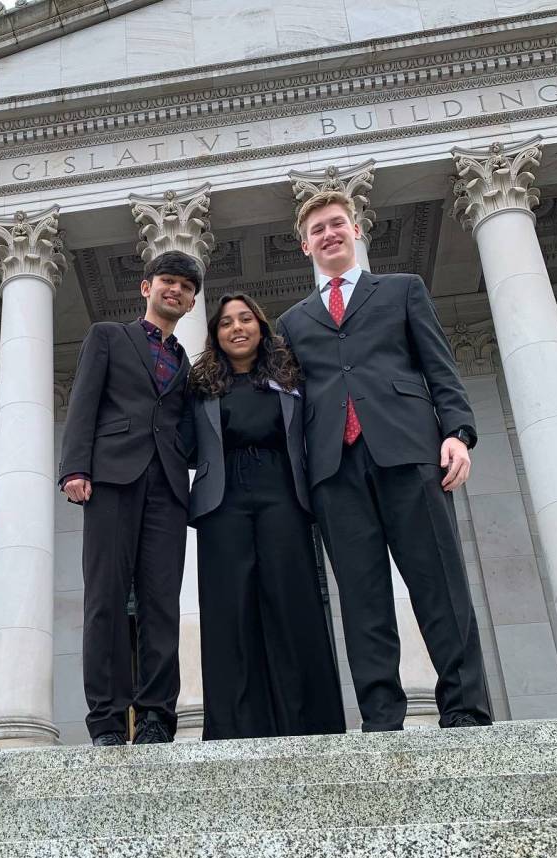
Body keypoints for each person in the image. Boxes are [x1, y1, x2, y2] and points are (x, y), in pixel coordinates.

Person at [277, 189, 493, 731]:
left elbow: (438, 366)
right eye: (318, 229)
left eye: (337, 224)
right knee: (361, 594)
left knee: (439, 581)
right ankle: (380, 716)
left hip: (409, 451)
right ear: (305, 245)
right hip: (334, 468)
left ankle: (464, 707)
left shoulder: (401, 291)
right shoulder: (293, 322)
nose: (329, 234)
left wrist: (458, 433)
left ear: (355, 231)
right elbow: (289, 404)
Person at [182, 292, 345, 740]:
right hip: (222, 500)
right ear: (215, 334)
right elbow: (184, 443)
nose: (237, 327)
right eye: (227, 322)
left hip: (282, 493)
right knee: (229, 611)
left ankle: (310, 724)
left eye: (246, 319)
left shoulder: (290, 377)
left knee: (292, 604)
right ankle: (234, 728)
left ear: (260, 326)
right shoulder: (201, 387)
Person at [58, 251, 203, 746]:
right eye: (168, 281)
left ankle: (158, 716)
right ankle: (107, 720)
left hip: (167, 486)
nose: (176, 291)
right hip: (112, 479)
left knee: (162, 603)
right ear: (147, 287)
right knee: (106, 599)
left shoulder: (185, 361)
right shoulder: (108, 337)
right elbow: (84, 402)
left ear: (190, 300)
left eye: (186, 287)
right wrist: (75, 466)